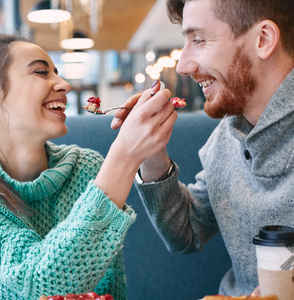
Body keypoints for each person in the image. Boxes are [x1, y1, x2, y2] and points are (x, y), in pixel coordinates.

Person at [0, 34, 177, 300]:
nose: (64, 85)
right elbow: (40, 282)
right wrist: (124, 156)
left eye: (58, 73)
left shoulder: (87, 169)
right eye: (41, 72)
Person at [112, 0, 294, 296]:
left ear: (263, 40)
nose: (183, 66)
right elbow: (187, 233)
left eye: (199, 40)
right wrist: (152, 152)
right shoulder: (228, 134)